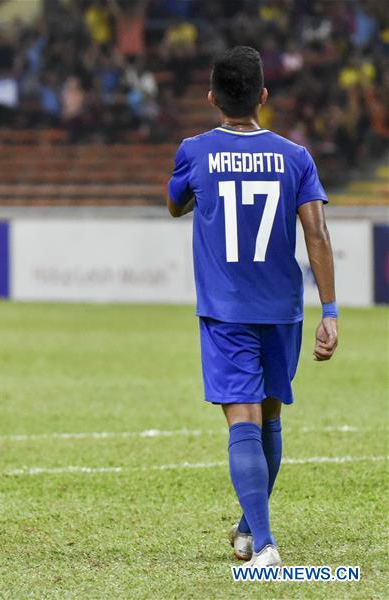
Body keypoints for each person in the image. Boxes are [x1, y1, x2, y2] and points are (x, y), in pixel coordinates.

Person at [167, 46, 338, 568]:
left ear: (212, 96)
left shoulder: (194, 150)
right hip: (283, 309)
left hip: (227, 309)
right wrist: (329, 311)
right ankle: (248, 529)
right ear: (264, 95)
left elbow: (175, 204)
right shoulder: (296, 156)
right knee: (268, 419)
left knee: (242, 420)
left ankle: (264, 546)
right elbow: (317, 234)